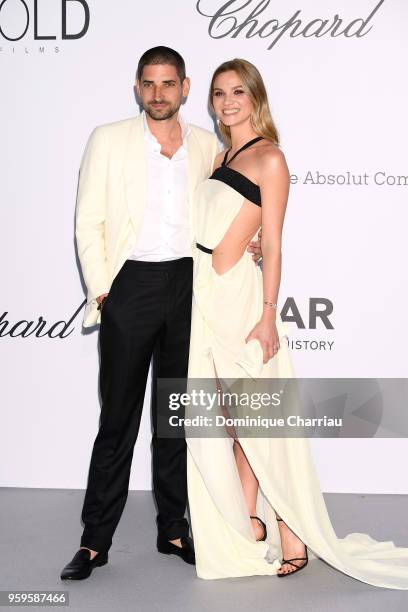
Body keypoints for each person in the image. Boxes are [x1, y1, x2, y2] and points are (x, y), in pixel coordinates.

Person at [186, 58, 408, 588]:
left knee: (260, 421)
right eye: (219, 94)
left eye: (238, 91)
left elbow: (276, 243)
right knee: (228, 420)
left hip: (240, 303)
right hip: (203, 299)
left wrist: (267, 316)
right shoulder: (220, 155)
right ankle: (249, 521)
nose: (228, 102)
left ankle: (291, 531)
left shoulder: (271, 158)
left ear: (256, 97)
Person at [61, 46, 262, 581]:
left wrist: (253, 245)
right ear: (137, 88)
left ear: (185, 87)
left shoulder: (206, 147)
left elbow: (229, 210)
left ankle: (173, 528)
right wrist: (105, 290)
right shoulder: (108, 138)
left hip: (188, 289)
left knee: (174, 418)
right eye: (149, 84)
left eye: (168, 83)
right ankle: (94, 541)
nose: (158, 93)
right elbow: (89, 221)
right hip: (131, 287)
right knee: (118, 420)